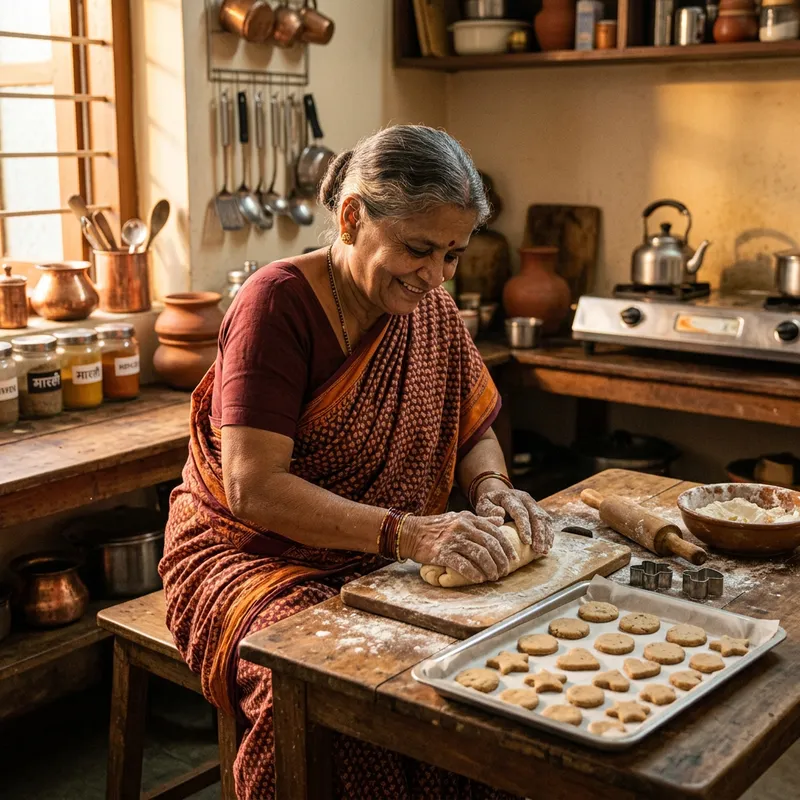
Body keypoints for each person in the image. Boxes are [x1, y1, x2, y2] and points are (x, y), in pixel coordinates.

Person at [159, 125, 555, 799]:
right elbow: (252, 490)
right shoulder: (275, 305)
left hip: (380, 550)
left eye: (453, 255)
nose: (434, 275)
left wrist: (490, 486)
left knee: (479, 674)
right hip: (250, 557)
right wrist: (410, 533)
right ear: (351, 217)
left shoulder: (428, 306)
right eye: (418, 249)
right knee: (330, 689)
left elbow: (473, 425)